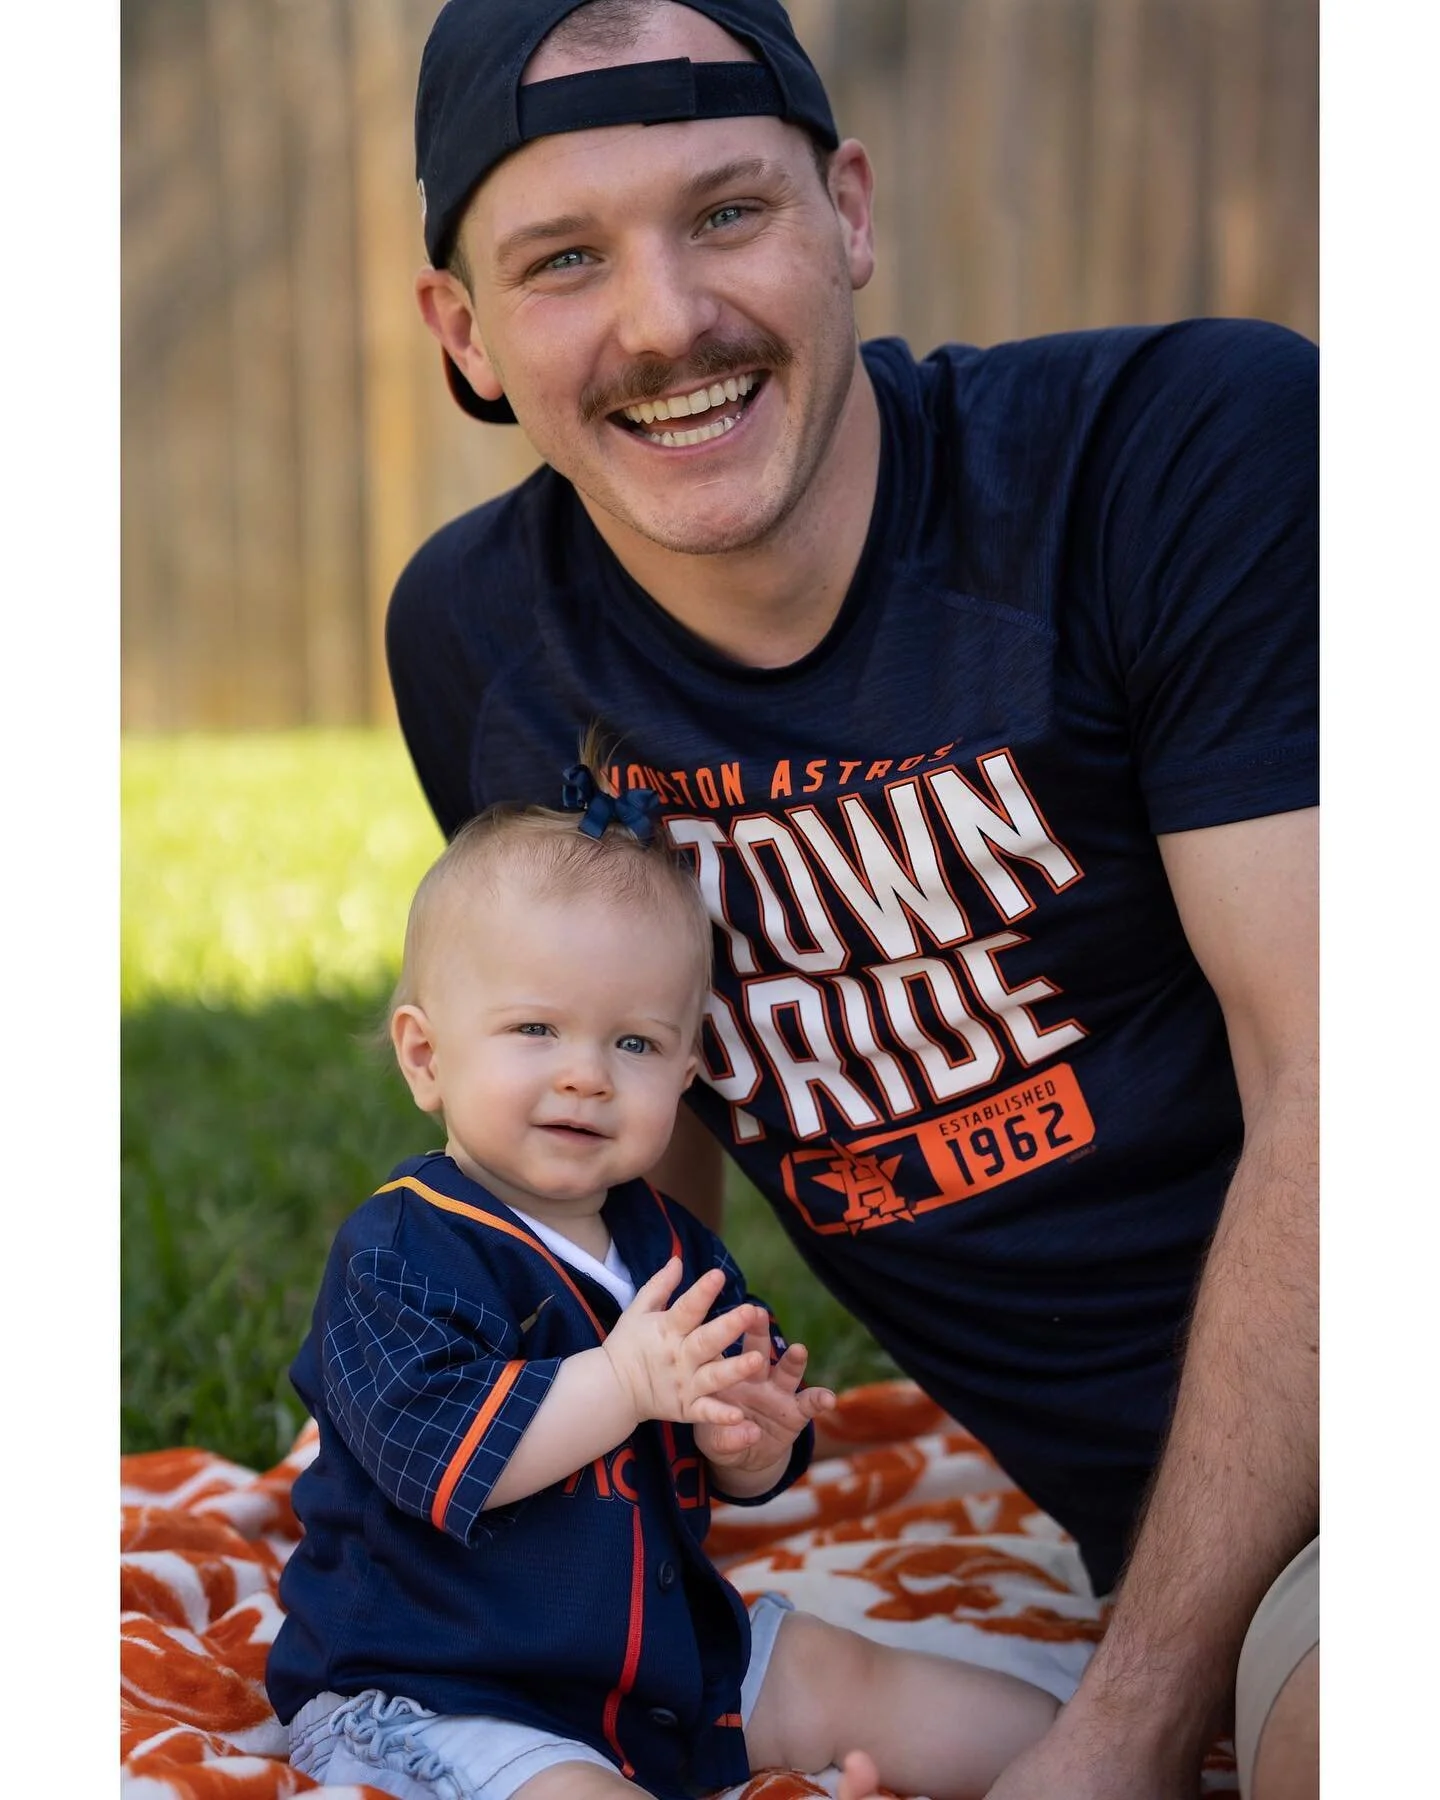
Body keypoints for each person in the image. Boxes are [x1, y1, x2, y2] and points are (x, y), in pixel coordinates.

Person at [386, 2, 1320, 1795]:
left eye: (727, 213)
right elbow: (607, 1147)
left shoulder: (1183, 457)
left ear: (853, 215)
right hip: (1235, 1554)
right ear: (468, 334)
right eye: (564, 258)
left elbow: (1351, 1080)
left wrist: (1121, 1734)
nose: (668, 321)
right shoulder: (484, 644)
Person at [265, 765, 1063, 1800]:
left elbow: (736, 1459)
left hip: (659, 1668)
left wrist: (750, 1441)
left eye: (634, 1042)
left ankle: (1069, 1757)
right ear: (426, 1057)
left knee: (848, 1671)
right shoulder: (399, 1250)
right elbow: (450, 1457)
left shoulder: (670, 1248)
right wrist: (630, 1383)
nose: (586, 1073)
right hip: (442, 1688)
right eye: (535, 1030)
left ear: (685, 1076)